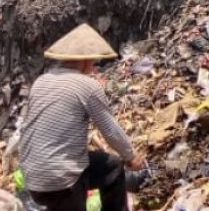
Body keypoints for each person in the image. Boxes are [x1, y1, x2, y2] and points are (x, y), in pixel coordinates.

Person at [18, 24, 143, 211]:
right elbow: (110, 130)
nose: (93, 67)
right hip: (61, 180)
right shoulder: (86, 86)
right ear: (85, 60)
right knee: (114, 166)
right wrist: (131, 157)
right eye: (92, 62)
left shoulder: (41, 81)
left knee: (111, 166)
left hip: (32, 176)